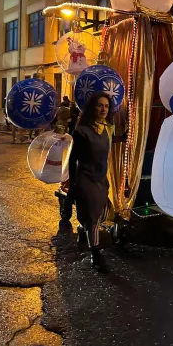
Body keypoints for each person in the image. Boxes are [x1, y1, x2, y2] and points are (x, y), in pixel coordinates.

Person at [64, 92, 123, 272]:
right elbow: (73, 160)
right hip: (85, 178)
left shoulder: (108, 128)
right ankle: (95, 254)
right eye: (100, 105)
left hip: (101, 179)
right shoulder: (81, 131)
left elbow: (109, 143)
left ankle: (83, 230)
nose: (103, 109)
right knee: (93, 218)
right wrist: (73, 184)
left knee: (99, 214)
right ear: (92, 108)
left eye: (106, 106)